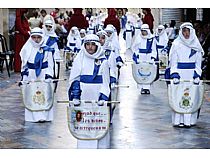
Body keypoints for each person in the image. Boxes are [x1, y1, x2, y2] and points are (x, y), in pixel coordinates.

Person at [68, 34, 110, 149]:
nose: (90, 47)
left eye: (93, 45)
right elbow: (74, 79)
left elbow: (106, 83)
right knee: (84, 122)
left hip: (97, 98)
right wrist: (76, 96)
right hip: (83, 97)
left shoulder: (103, 61)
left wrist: (103, 97)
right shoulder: (79, 59)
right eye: (87, 44)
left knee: (98, 123)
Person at [168, 22, 204, 127]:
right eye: (184, 31)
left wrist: (197, 74)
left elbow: (198, 63)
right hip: (180, 74)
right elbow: (173, 62)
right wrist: (174, 74)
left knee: (191, 96)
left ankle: (190, 121)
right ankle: (178, 121)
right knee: (179, 96)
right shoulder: (176, 44)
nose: (186, 33)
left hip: (191, 75)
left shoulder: (196, 45)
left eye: (188, 31)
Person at [19, 27, 54, 122]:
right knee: (32, 94)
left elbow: (50, 64)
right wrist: (25, 76)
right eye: (34, 37)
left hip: (43, 73)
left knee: (44, 95)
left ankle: (45, 116)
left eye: (38, 37)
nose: (36, 39)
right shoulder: (26, 48)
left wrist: (49, 75)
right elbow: (24, 64)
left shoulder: (47, 49)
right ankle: (33, 117)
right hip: (31, 74)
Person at [131, 24, 157, 94]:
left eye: (144, 31)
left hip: (149, 57)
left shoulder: (152, 39)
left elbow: (154, 49)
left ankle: (147, 88)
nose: (143, 32)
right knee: (141, 71)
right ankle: (142, 87)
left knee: (148, 71)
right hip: (141, 57)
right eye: (142, 31)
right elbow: (134, 47)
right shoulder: (138, 38)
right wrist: (137, 55)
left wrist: (153, 57)